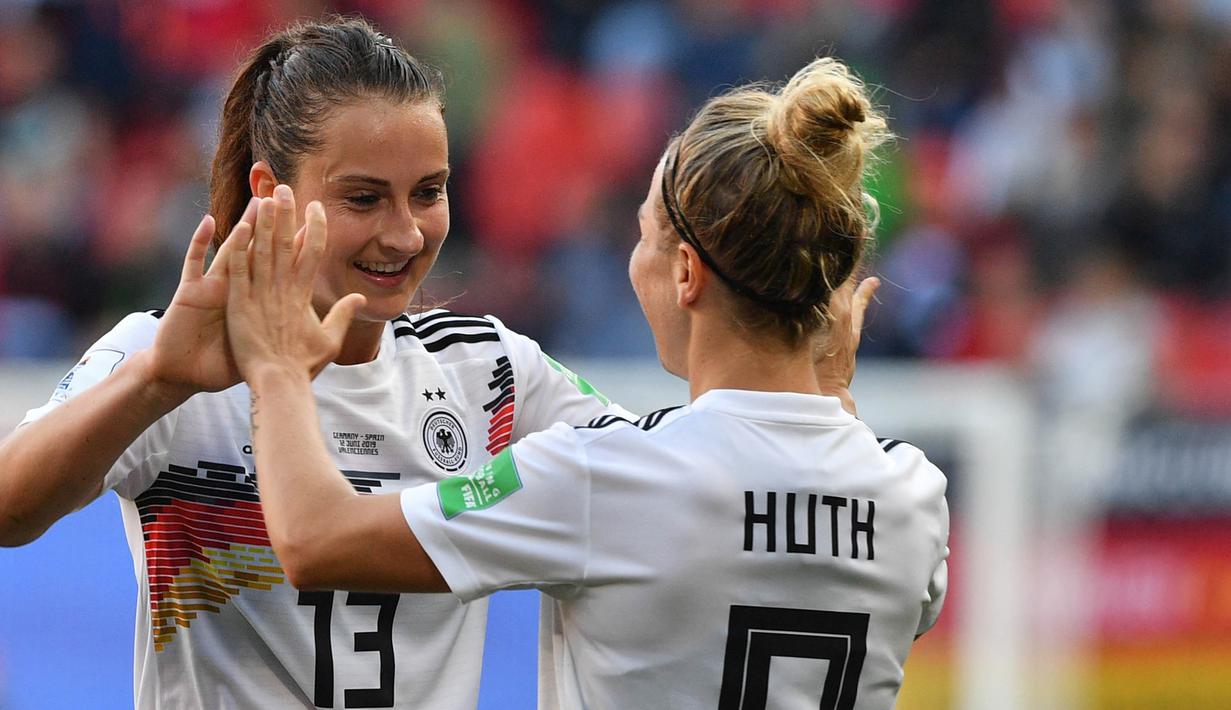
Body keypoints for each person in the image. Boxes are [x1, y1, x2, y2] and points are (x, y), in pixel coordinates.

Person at [0, 17, 867, 709]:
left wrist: (814, 390)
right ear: (271, 193)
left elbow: (672, 479)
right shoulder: (166, 357)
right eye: (363, 198)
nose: (405, 234)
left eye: (429, 192)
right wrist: (157, 381)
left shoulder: (489, 370)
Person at [227, 55, 949, 709]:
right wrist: (830, 401)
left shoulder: (602, 473)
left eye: (643, 237)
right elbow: (790, 527)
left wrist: (278, 368)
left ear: (686, 275)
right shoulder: (912, 497)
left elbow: (317, 542)